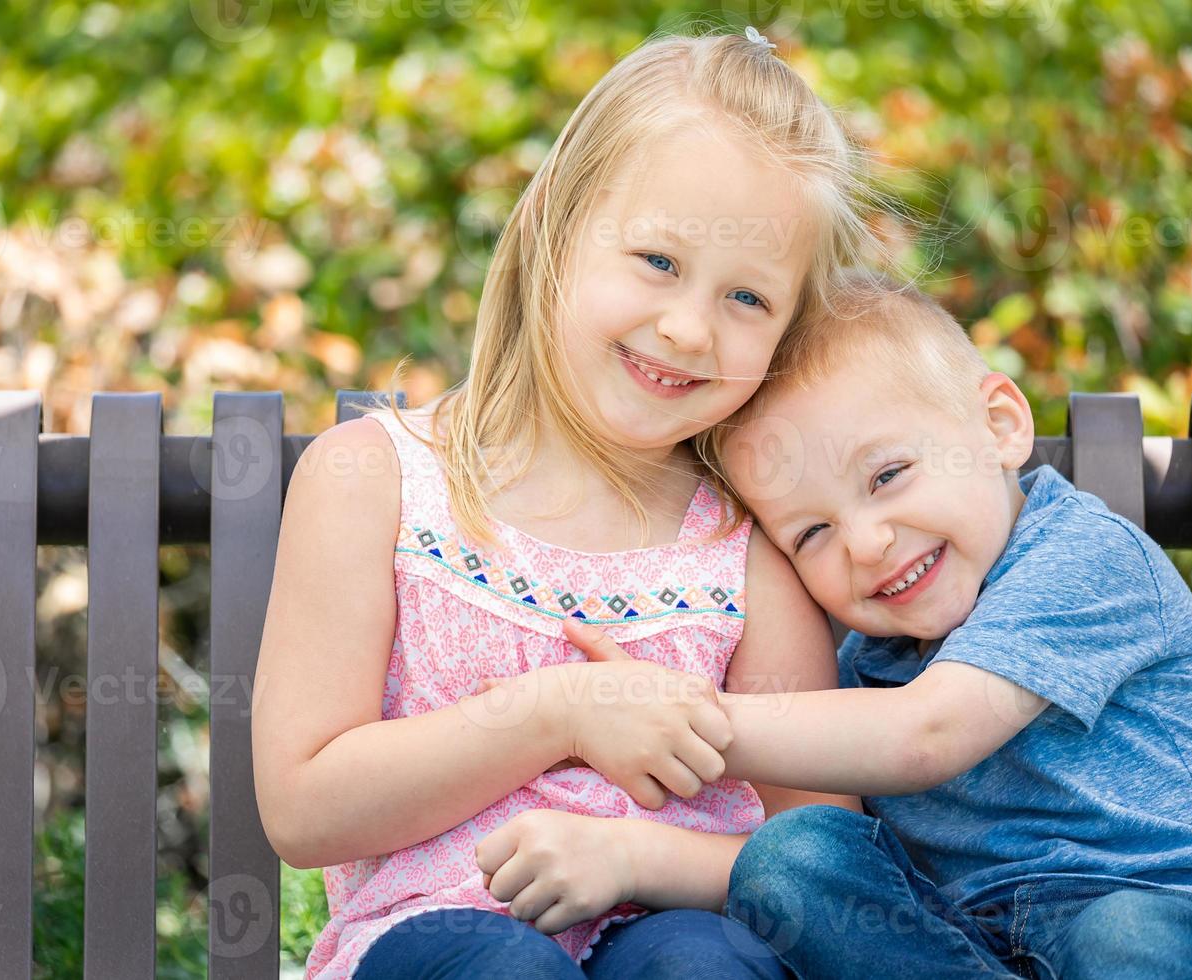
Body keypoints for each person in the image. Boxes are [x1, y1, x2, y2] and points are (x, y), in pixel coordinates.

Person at [250, 27, 885, 979]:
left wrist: (640, 858)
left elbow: (823, 863)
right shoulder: (374, 483)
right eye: (658, 262)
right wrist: (560, 712)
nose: (686, 327)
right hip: (436, 940)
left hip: (681, 927)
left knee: (701, 968)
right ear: (553, 223)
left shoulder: (740, 561)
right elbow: (304, 808)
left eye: (747, 298)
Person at [564, 273, 1192, 978]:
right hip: (969, 947)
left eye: (887, 476)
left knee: (1126, 935)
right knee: (792, 857)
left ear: (1001, 425)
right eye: (812, 533)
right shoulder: (867, 668)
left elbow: (928, 733)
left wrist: (678, 721)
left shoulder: (1081, 556)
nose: (867, 542)